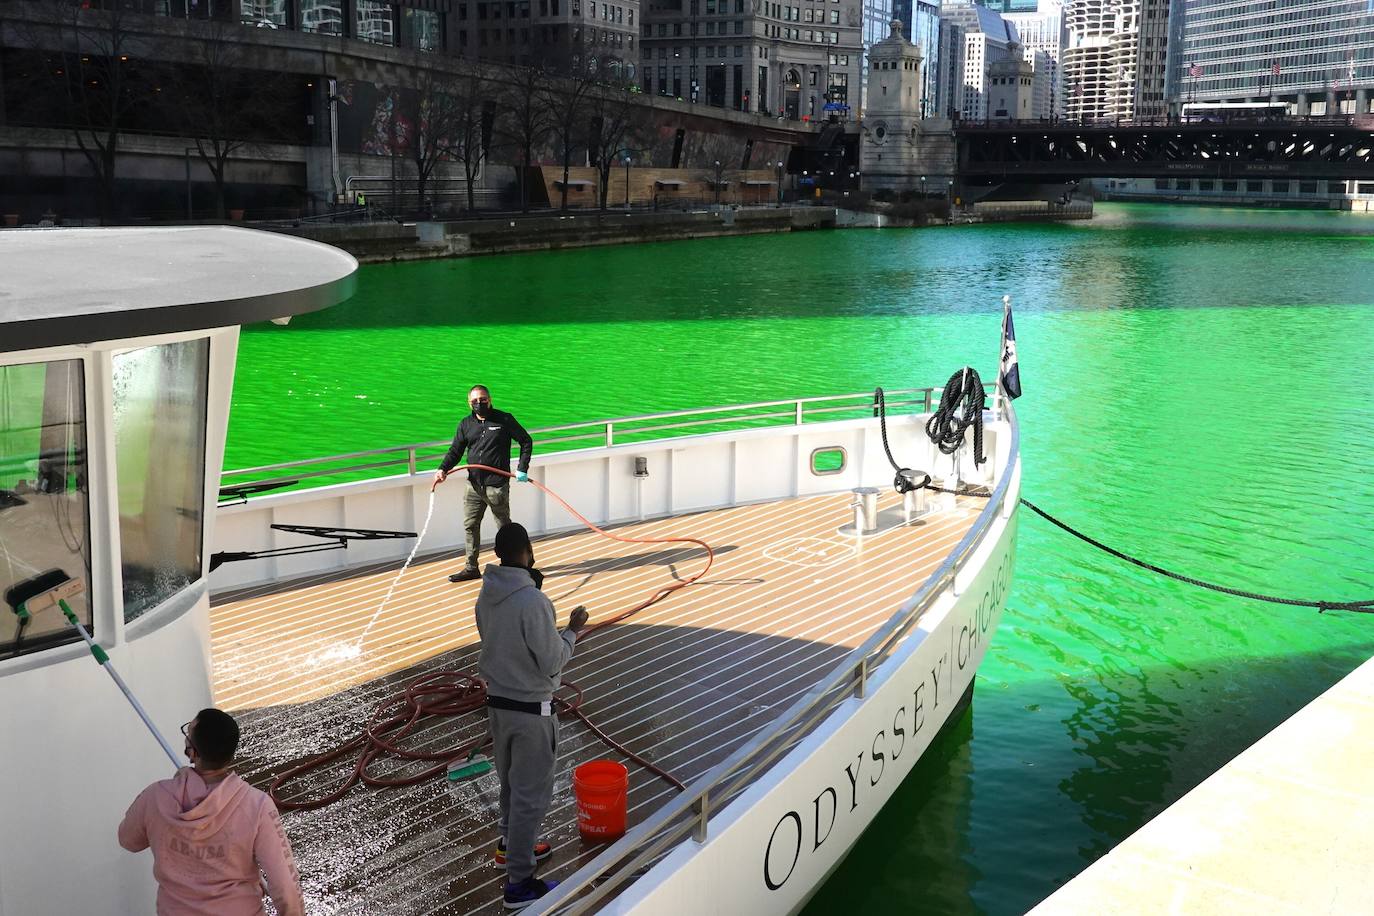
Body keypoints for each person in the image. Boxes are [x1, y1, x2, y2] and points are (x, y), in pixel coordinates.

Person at [476, 522, 589, 910]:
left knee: (510, 784)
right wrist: (572, 630)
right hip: (530, 714)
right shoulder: (533, 602)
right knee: (530, 797)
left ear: (498, 554)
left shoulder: (485, 595)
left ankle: (510, 848)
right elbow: (552, 661)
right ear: (527, 551)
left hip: (498, 709)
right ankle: (519, 884)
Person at [118, 708, 304, 916]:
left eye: (187, 733)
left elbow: (128, 840)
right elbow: (286, 888)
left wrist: (174, 791)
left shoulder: (155, 796)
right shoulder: (257, 805)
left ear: (192, 751)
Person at [434, 385, 535, 583]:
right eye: (474, 401)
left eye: (483, 400)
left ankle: (520, 566)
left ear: (490, 400)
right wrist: (442, 469)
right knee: (470, 526)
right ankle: (471, 568)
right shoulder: (465, 424)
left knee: (505, 529)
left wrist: (522, 468)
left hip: (496, 486)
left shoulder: (504, 419)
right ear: (469, 403)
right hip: (473, 486)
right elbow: (455, 450)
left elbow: (526, 441)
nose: (479, 404)